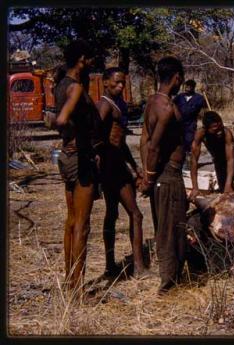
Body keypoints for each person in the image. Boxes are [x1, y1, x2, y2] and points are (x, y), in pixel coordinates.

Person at [54, 40, 104, 292]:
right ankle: (77, 288)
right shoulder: (74, 88)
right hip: (80, 158)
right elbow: (60, 119)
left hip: (66, 156)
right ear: (82, 59)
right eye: (91, 58)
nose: (93, 63)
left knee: (71, 222)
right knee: (82, 226)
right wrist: (74, 131)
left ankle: (69, 281)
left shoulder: (61, 83)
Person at [139, 56, 186, 294]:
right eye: (181, 79)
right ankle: (168, 284)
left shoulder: (152, 102)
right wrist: (148, 177)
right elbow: (154, 146)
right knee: (170, 229)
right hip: (168, 175)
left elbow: (143, 140)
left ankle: (172, 276)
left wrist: (147, 174)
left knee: (165, 226)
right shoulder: (166, 107)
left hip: (162, 175)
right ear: (176, 77)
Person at [95, 67, 147, 278]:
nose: (120, 86)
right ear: (105, 82)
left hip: (119, 166)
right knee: (131, 214)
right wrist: (101, 163)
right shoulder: (104, 105)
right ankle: (131, 267)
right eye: (116, 82)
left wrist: (134, 168)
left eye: (123, 83)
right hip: (110, 168)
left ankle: (121, 266)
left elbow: (121, 142)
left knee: (120, 215)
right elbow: (96, 137)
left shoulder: (120, 105)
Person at [189, 111, 234, 201]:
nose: (219, 132)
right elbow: (194, 161)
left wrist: (228, 184)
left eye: (220, 127)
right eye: (215, 129)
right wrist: (195, 187)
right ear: (206, 128)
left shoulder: (227, 133)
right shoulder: (200, 135)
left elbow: (231, 159)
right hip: (219, 164)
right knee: (228, 197)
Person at [173, 79, 207, 167]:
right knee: (179, 143)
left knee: (189, 142)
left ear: (193, 87)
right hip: (179, 124)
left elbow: (204, 111)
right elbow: (172, 105)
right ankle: (179, 161)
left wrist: (205, 122)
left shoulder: (199, 98)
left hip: (191, 124)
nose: (187, 88)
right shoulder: (179, 97)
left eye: (189, 86)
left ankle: (188, 163)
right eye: (186, 86)